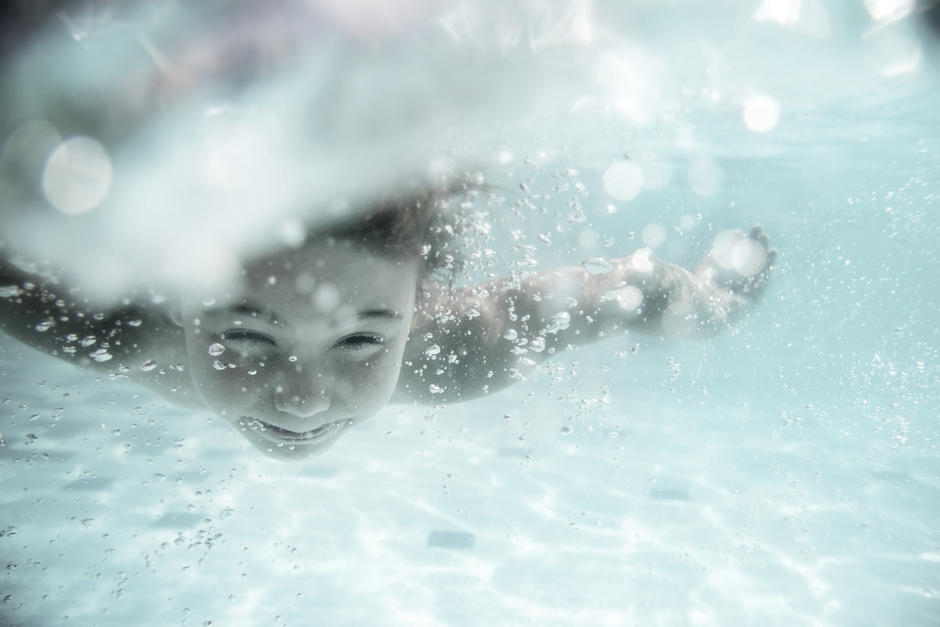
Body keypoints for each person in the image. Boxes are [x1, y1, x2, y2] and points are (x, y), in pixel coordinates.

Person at [0, 186, 775, 459]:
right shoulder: (108, 321)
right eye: (245, 334)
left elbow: (629, 290)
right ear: (174, 293)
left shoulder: (460, 348)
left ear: (421, 302)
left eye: (364, 337)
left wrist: (715, 300)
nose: (302, 399)